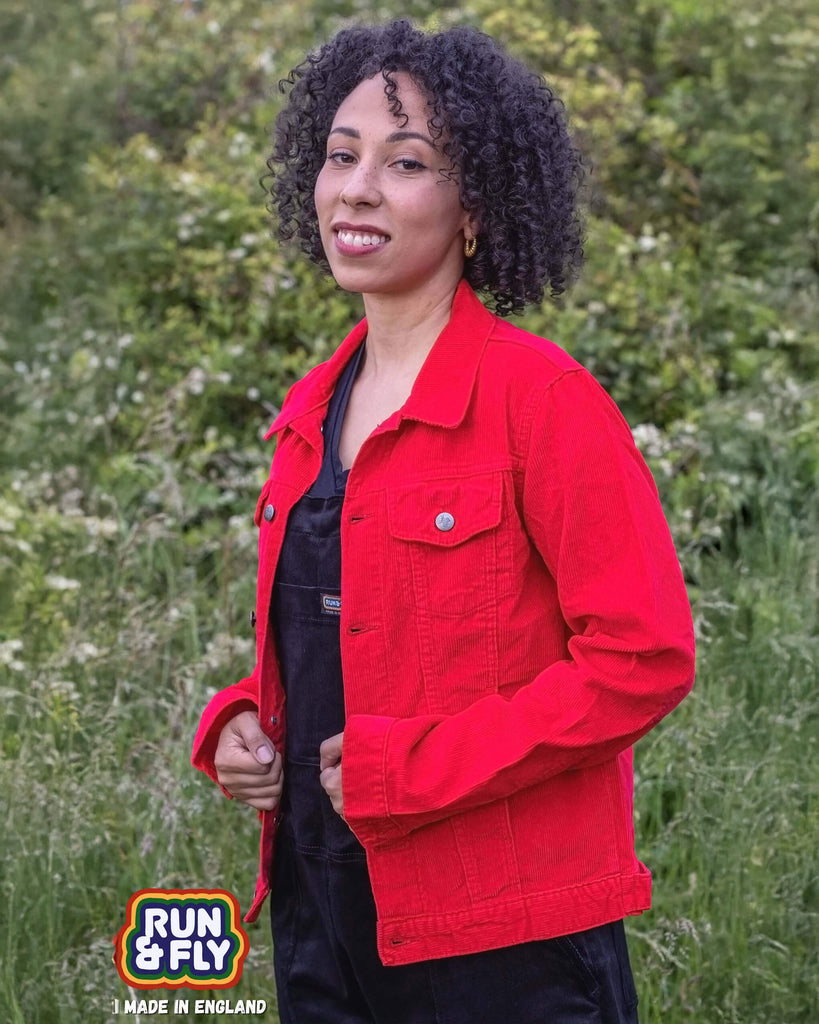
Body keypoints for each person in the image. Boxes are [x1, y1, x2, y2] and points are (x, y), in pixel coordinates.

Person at [192, 18, 695, 1024]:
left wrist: (413, 767)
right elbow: (356, 632)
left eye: (407, 160)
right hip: (322, 911)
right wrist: (247, 722)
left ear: (474, 208)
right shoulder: (309, 411)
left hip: (504, 939)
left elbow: (643, 657)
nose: (358, 187)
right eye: (341, 155)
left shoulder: (540, 400)